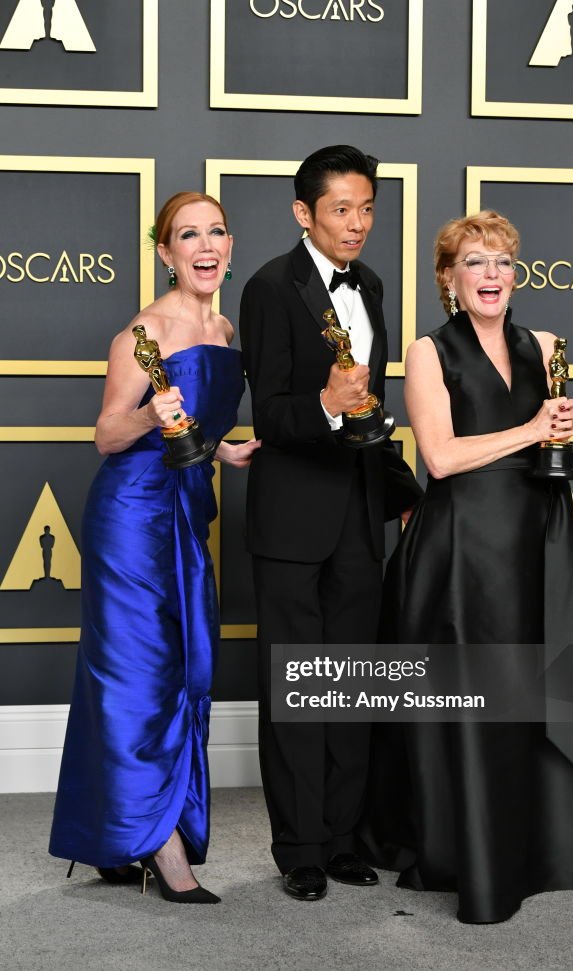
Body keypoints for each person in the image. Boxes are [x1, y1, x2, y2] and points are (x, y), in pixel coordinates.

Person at [360, 210, 573, 924]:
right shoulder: (428, 353)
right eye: (474, 263)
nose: (490, 275)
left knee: (554, 684)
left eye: (501, 262)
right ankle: (475, 854)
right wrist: (531, 428)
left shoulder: (548, 346)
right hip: (461, 549)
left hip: (538, 539)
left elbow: (546, 450)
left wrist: (558, 429)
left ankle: (560, 844)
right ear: (448, 280)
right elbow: (441, 459)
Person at [49, 191, 259, 903]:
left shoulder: (225, 327)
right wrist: (146, 412)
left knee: (183, 669)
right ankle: (162, 851)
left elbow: (192, 422)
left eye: (216, 231)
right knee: (139, 677)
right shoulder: (145, 328)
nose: (205, 244)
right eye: (187, 235)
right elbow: (108, 434)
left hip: (187, 512)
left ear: (228, 246)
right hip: (132, 520)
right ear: (166, 253)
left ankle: (118, 833)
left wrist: (223, 452)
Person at [239, 145, 422, 901]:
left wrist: (399, 490)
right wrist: (325, 405)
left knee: (351, 685)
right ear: (303, 213)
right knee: (297, 690)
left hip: (356, 515)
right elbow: (273, 414)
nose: (357, 224)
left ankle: (346, 839)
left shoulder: (371, 284)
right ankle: (301, 849)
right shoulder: (266, 288)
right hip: (289, 520)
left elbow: (372, 409)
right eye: (341, 209)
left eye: (367, 208)